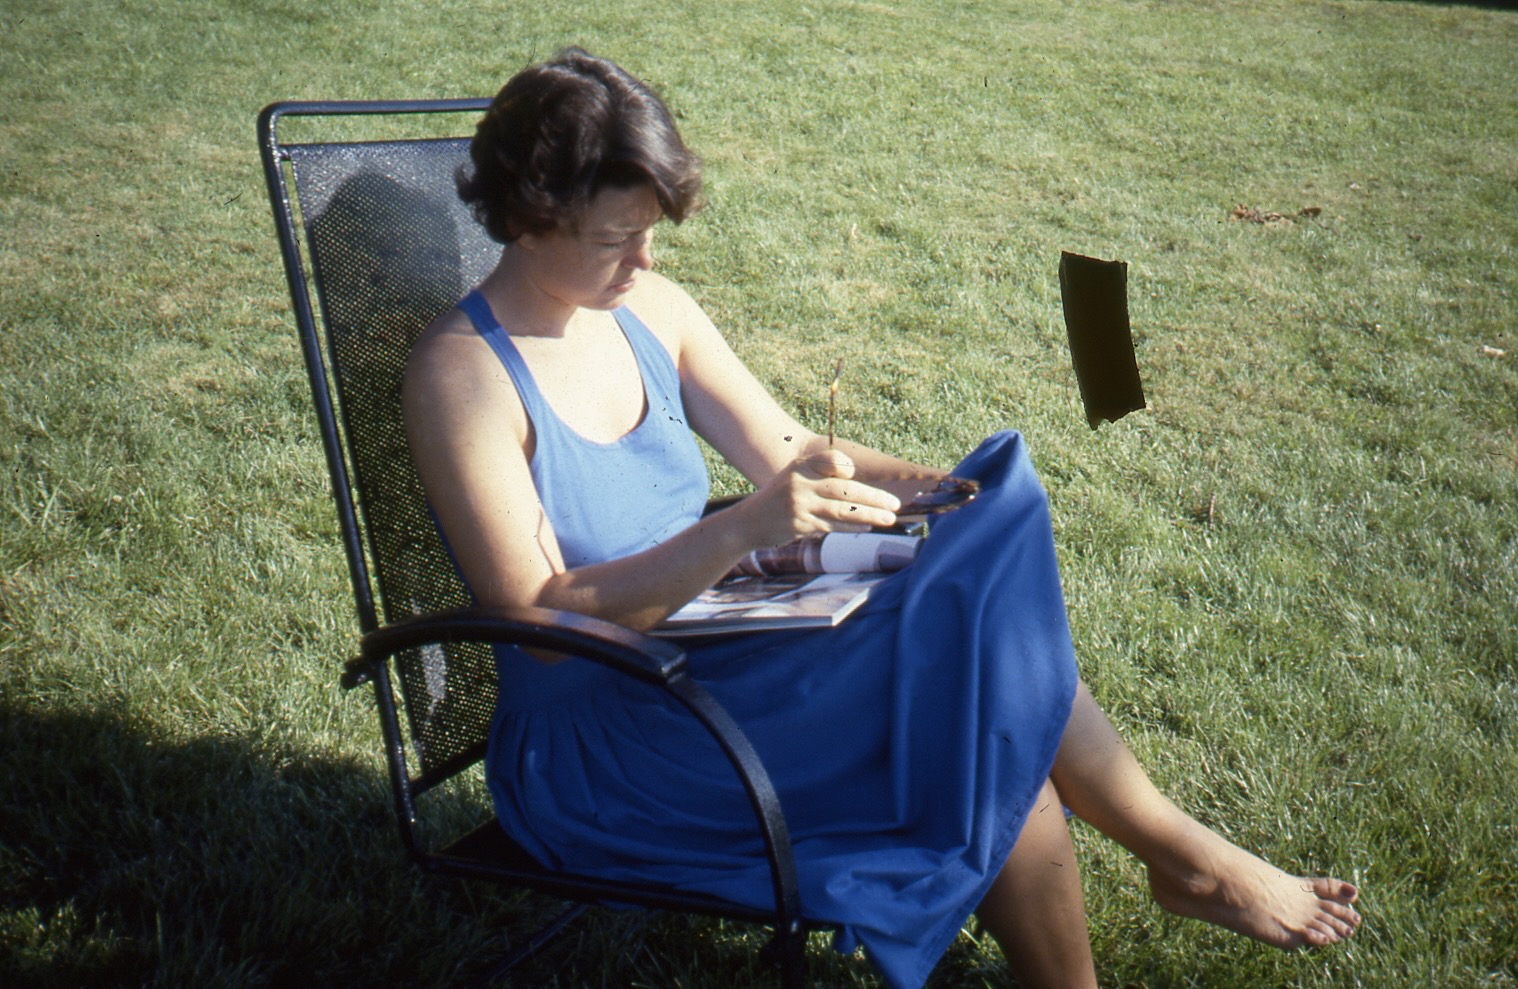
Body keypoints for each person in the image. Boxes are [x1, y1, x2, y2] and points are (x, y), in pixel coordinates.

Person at [402, 48, 1361, 989]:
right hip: (610, 746)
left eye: (651, 233)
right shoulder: (463, 377)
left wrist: (943, 490)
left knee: (975, 632)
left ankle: (1180, 859)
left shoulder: (650, 307)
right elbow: (538, 620)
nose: (644, 260)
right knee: (974, 721)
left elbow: (788, 451)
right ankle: (1184, 857)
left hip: (715, 660)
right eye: (617, 238)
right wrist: (741, 531)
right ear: (527, 218)